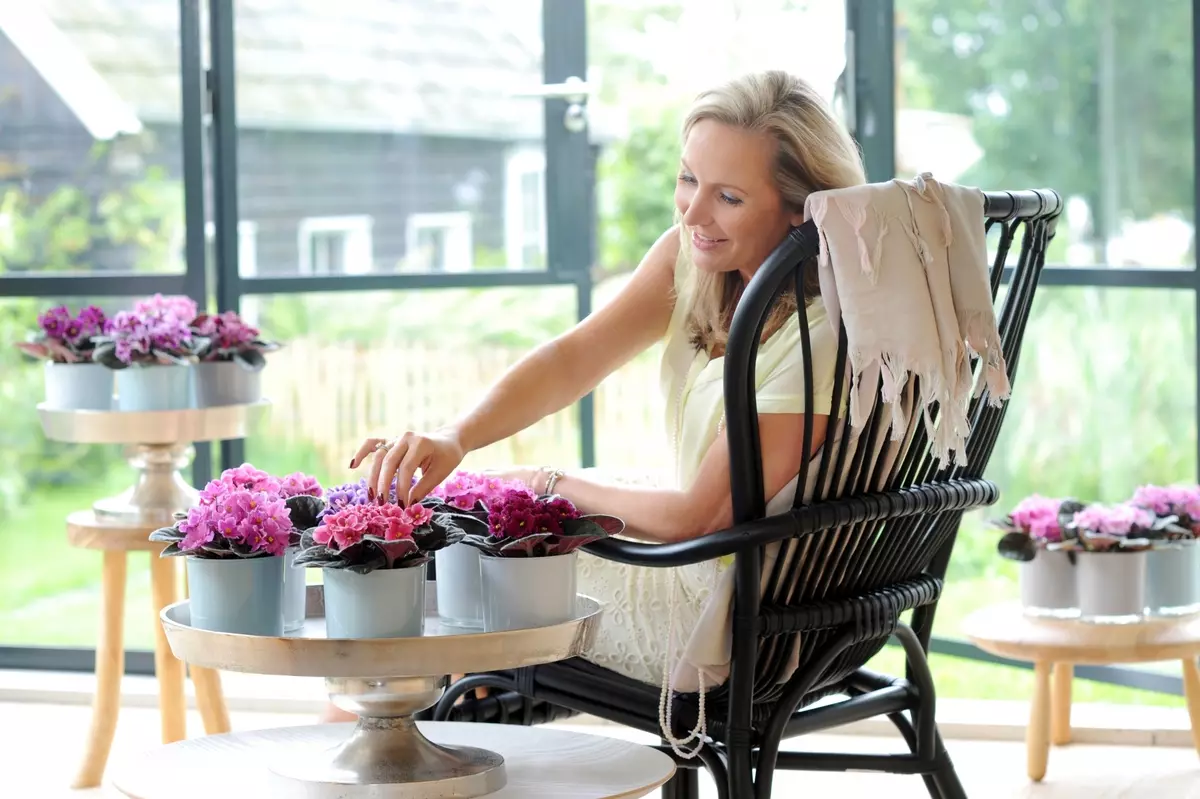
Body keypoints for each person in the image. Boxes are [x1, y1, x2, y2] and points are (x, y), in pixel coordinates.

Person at [323, 70, 866, 723]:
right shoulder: (696, 261)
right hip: (708, 570)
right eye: (688, 179)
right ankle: (470, 718)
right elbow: (573, 358)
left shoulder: (819, 335)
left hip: (746, 618)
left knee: (461, 551)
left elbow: (700, 517)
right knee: (472, 528)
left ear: (801, 208)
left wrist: (547, 483)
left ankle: (428, 733)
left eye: (728, 196)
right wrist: (457, 437)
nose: (692, 213)